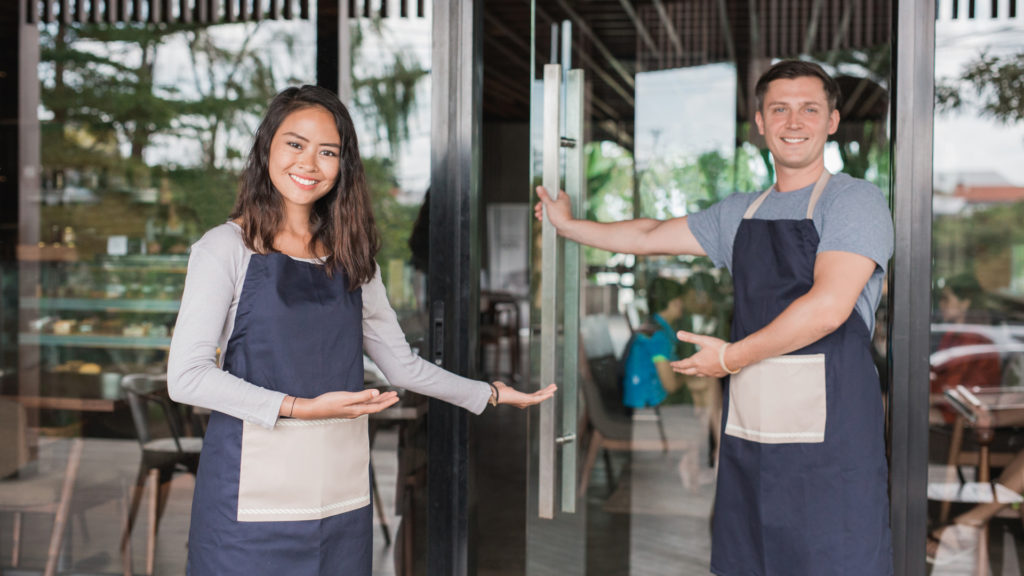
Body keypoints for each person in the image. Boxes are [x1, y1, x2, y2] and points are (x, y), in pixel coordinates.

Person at [167, 85, 556, 576]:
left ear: (342, 165)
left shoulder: (353, 258)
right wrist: (299, 409)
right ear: (267, 147)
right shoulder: (224, 248)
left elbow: (401, 365)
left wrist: (490, 393)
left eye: (327, 151)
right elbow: (186, 377)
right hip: (248, 502)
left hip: (339, 499)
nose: (310, 163)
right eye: (295, 144)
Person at [535, 60, 894, 575]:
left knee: (833, 557)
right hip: (754, 426)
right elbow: (648, 235)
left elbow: (827, 309)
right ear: (760, 124)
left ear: (832, 121)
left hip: (833, 433)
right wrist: (569, 227)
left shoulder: (853, 200)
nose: (794, 121)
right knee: (750, 557)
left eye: (809, 109)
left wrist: (730, 357)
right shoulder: (740, 213)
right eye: (780, 109)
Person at [930, 272, 1002, 423]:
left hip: (963, 417)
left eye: (946, 299)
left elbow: (954, 390)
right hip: (946, 406)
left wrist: (926, 396)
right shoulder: (952, 334)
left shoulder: (974, 339)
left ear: (965, 303)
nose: (941, 304)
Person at [621, 277, 687, 408]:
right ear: (673, 303)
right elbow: (671, 385)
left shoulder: (652, 326)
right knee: (706, 384)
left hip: (637, 401)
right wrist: (689, 378)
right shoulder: (659, 337)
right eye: (681, 300)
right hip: (646, 405)